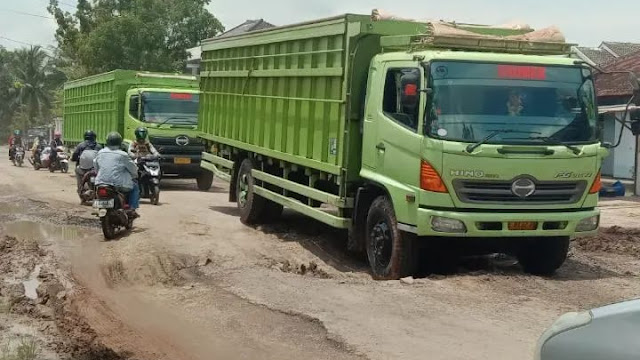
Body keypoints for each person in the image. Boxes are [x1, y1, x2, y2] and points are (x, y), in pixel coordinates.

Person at [94, 132, 140, 218]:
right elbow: (133, 169)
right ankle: (132, 209)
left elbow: (96, 166)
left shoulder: (100, 152)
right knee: (135, 186)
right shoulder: (123, 154)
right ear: (120, 142)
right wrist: (135, 175)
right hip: (118, 185)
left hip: (100, 183)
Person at [72, 130, 103, 196]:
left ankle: (80, 188)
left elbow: (74, 155)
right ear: (94, 137)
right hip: (95, 170)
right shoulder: (99, 146)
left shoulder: (81, 145)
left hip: (83, 169)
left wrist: (74, 159)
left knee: (77, 170)